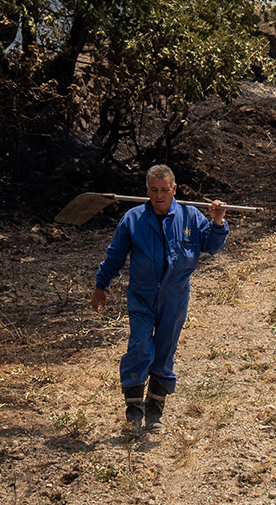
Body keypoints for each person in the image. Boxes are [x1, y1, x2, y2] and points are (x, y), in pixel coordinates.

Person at [89, 165, 228, 437]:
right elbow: (115, 256)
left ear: (174, 189)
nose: (159, 195)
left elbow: (212, 246)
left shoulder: (191, 216)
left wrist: (217, 221)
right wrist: (100, 286)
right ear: (147, 190)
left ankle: (154, 412)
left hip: (175, 299)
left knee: (164, 353)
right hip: (142, 297)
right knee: (140, 348)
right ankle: (133, 413)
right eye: (154, 190)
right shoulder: (133, 220)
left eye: (165, 190)